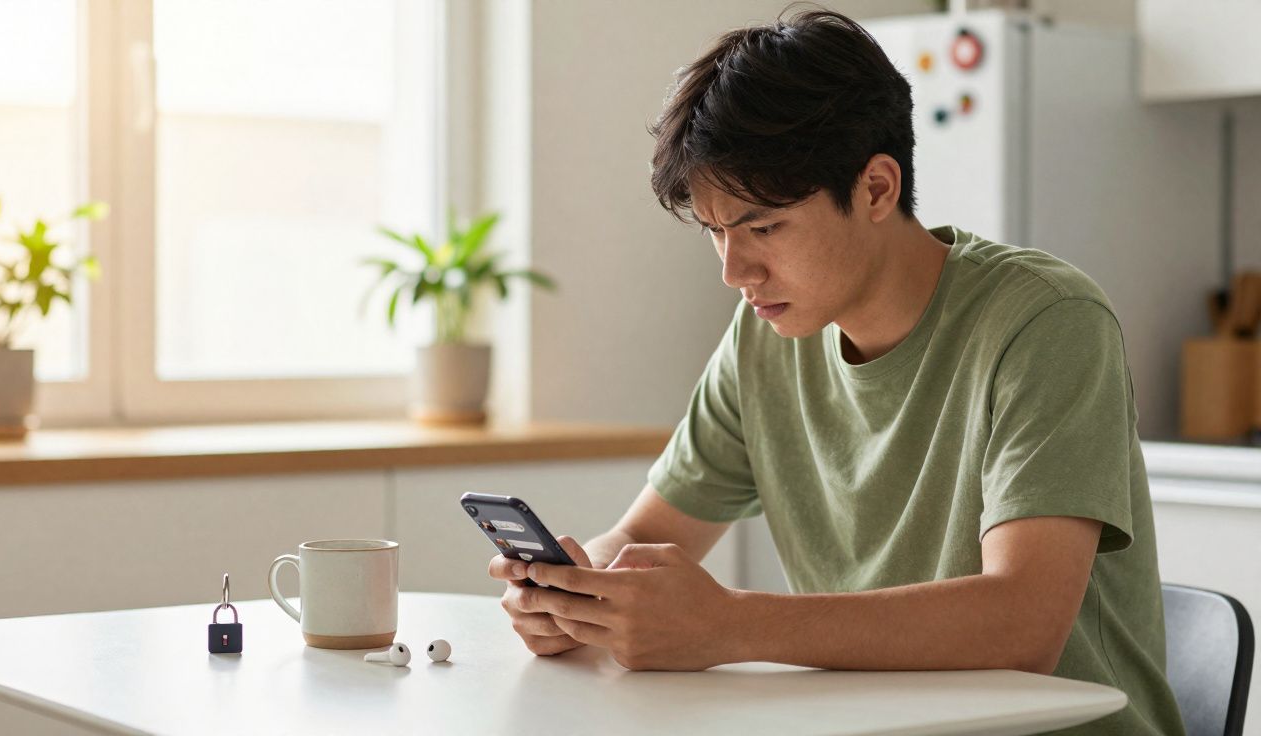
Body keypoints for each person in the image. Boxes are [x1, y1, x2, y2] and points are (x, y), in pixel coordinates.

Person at [488, 8, 1184, 735]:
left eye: (763, 227)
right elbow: (636, 538)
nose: (735, 271)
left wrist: (729, 625)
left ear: (878, 189)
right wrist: (576, 597)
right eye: (716, 233)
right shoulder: (765, 339)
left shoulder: (1046, 321)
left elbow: (1023, 622)